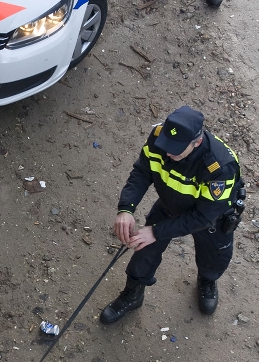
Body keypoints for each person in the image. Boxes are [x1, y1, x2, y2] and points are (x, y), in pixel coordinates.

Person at [100, 105, 243, 324]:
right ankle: (133, 294)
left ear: (196, 142)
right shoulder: (159, 137)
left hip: (210, 220)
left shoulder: (219, 167)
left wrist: (156, 231)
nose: (167, 152)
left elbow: (203, 217)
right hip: (169, 204)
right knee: (143, 249)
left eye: (176, 148)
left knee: (214, 256)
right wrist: (126, 208)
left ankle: (207, 280)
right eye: (167, 144)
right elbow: (142, 171)